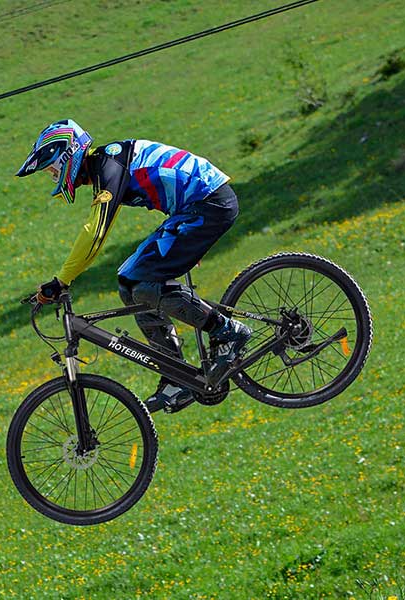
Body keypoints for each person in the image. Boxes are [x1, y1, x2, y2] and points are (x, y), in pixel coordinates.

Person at [16, 119, 251, 412]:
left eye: (52, 168)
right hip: (195, 208)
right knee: (129, 282)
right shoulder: (107, 166)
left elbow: (96, 232)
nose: (52, 176)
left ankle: (227, 331)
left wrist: (61, 280)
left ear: (68, 156)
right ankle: (176, 375)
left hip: (208, 205)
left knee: (143, 281)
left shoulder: (108, 168)